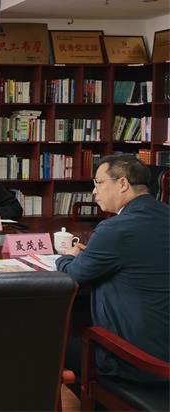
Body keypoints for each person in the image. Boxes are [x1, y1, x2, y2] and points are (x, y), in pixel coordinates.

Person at [56, 155, 169, 390]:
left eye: (98, 182)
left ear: (123, 183)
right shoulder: (164, 214)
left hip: (137, 358)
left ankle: (99, 400)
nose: (94, 191)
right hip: (163, 344)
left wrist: (68, 257)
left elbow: (73, 275)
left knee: (49, 346)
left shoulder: (117, 228)